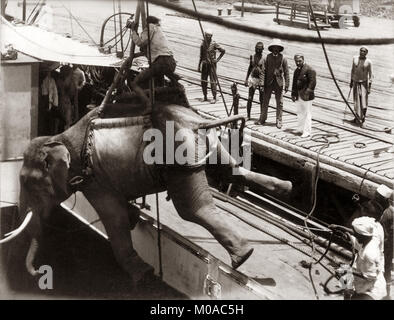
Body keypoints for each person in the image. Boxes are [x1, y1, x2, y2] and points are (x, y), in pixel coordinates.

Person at [330, 216, 387, 300]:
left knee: (345, 275)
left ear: (362, 235)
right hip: (362, 274)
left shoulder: (369, 254)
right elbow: (355, 234)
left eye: (357, 234)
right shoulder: (370, 235)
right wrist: (339, 228)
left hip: (371, 289)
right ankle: (347, 295)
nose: (354, 235)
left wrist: (344, 267)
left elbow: (370, 277)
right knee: (345, 279)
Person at [130, 16, 179, 110]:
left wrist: (133, 31)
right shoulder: (159, 30)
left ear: (147, 22)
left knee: (134, 83)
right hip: (171, 62)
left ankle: (148, 105)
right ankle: (176, 91)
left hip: (160, 63)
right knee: (166, 79)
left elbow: (140, 42)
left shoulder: (149, 27)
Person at [256, 39, 289, 128]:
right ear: (272, 48)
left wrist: (287, 85)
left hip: (279, 83)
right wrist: (262, 84)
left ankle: (279, 120)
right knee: (265, 101)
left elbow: (286, 72)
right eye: (274, 47)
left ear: (279, 49)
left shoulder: (283, 59)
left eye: (277, 48)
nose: (276, 49)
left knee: (280, 102)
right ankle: (262, 118)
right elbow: (263, 71)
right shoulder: (267, 57)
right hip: (268, 83)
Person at [291, 54, 316, 138]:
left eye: (300, 61)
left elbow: (312, 83)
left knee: (307, 114)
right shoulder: (296, 71)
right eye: (296, 61)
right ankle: (300, 129)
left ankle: (307, 131)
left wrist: (307, 92)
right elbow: (294, 83)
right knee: (300, 113)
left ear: (303, 60)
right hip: (298, 95)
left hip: (306, 96)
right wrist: (293, 94)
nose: (298, 63)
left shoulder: (309, 69)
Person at [198, 29, 225, 104]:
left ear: (211, 36)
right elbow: (201, 56)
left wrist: (217, 60)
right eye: (207, 36)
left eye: (209, 36)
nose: (208, 37)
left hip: (212, 65)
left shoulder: (214, 43)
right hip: (204, 64)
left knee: (213, 81)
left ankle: (214, 97)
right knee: (203, 81)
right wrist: (199, 65)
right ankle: (205, 96)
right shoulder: (203, 43)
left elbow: (223, 51)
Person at [350, 46, 373, 125]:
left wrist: (369, 87)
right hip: (355, 81)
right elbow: (352, 70)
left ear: (366, 53)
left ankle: (363, 118)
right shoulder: (354, 58)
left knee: (363, 101)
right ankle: (356, 117)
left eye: (364, 51)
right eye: (361, 50)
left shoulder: (369, 62)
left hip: (364, 83)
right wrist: (351, 81)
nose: (362, 52)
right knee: (356, 100)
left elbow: (371, 75)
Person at [244, 42, 265, 120]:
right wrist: (246, 79)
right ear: (255, 48)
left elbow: (264, 71)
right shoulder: (252, 57)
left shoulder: (264, 59)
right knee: (250, 98)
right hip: (253, 78)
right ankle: (248, 115)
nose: (258, 50)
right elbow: (250, 68)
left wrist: (263, 83)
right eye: (257, 49)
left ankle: (261, 117)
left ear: (262, 50)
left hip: (261, 79)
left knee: (261, 99)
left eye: (260, 49)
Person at [41, 69, 58, 135]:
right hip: (46, 104)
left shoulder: (52, 80)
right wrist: (47, 105)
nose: (48, 73)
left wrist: (55, 104)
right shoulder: (44, 81)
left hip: (51, 104)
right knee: (46, 122)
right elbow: (44, 95)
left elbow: (55, 93)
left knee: (51, 122)